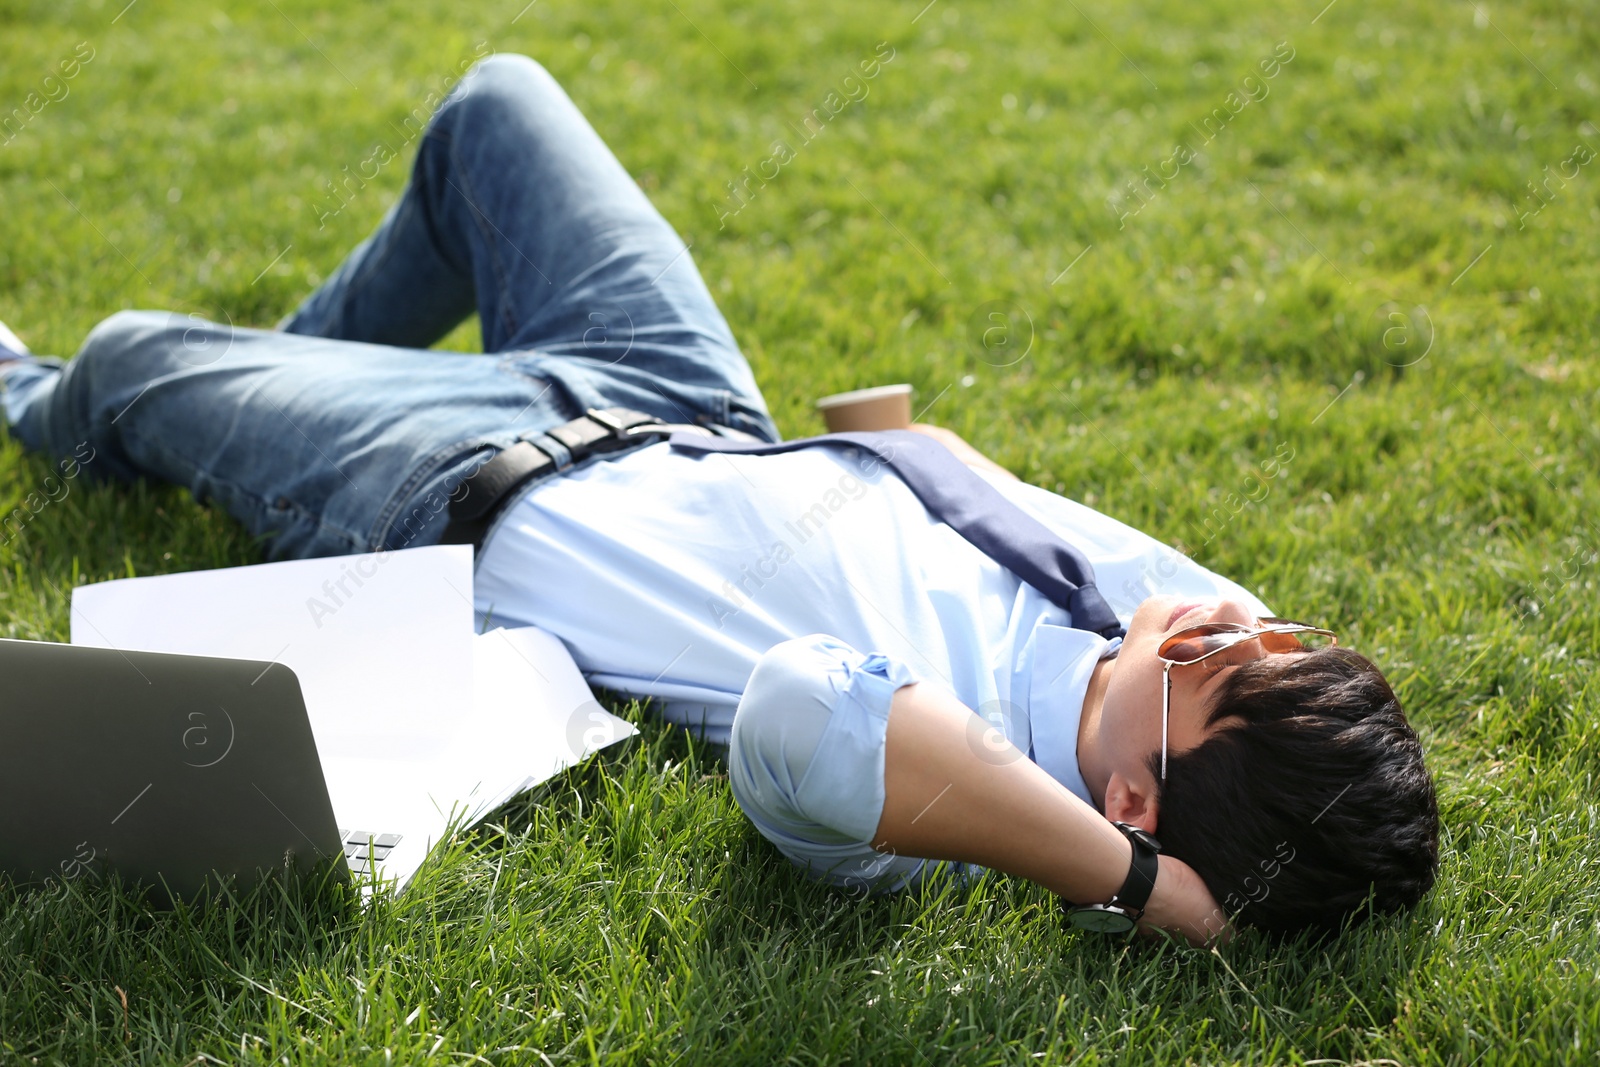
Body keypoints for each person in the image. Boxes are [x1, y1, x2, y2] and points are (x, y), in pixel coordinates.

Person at [0, 53, 1438, 942]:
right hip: (686, 401)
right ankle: (277, 379)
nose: (1206, 619)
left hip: (466, 486)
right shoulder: (1164, 640)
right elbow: (1247, 693)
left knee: (125, 361)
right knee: (496, 111)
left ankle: (38, 391)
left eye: (1212, 667)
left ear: (1130, 802)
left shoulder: (945, 806)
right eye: (1264, 631)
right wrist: (1240, 693)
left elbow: (804, 711)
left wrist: (1134, 887)